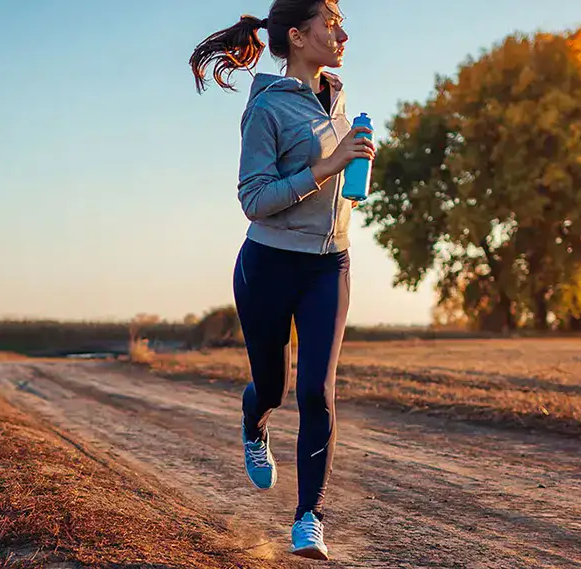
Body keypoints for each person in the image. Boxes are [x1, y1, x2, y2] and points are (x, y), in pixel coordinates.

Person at [188, 0, 372, 561]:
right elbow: (254, 201)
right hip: (268, 264)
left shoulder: (337, 99)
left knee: (317, 390)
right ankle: (254, 421)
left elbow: (334, 178)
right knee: (273, 386)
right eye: (330, 22)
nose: (342, 32)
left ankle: (309, 518)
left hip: (328, 265)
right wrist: (328, 165)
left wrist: (351, 165)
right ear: (296, 35)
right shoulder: (266, 109)